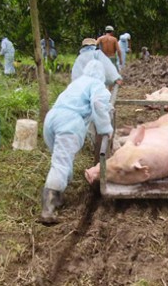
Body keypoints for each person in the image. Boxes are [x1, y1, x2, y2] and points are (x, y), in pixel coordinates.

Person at [40, 59, 114, 224]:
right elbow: (98, 103)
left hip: (52, 118)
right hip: (69, 123)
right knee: (61, 162)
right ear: (102, 74)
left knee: (60, 159)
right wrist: (106, 129)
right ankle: (48, 209)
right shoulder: (97, 85)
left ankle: (58, 197)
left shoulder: (77, 82)